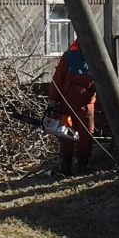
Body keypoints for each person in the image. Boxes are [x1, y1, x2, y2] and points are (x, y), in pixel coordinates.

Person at [48, 38, 96, 176]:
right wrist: (53, 100)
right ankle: (66, 169)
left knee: (86, 136)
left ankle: (82, 167)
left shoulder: (96, 59)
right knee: (66, 135)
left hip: (86, 106)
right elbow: (58, 79)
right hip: (67, 105)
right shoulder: (68, 57)